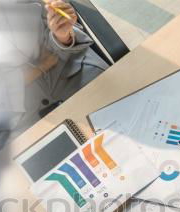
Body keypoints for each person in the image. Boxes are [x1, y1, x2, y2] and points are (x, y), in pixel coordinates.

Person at [15, 0, 109, 132]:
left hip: (74, 75)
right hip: (24, 120)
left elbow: (63, 24)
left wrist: (62, 36)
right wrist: (41, 67)